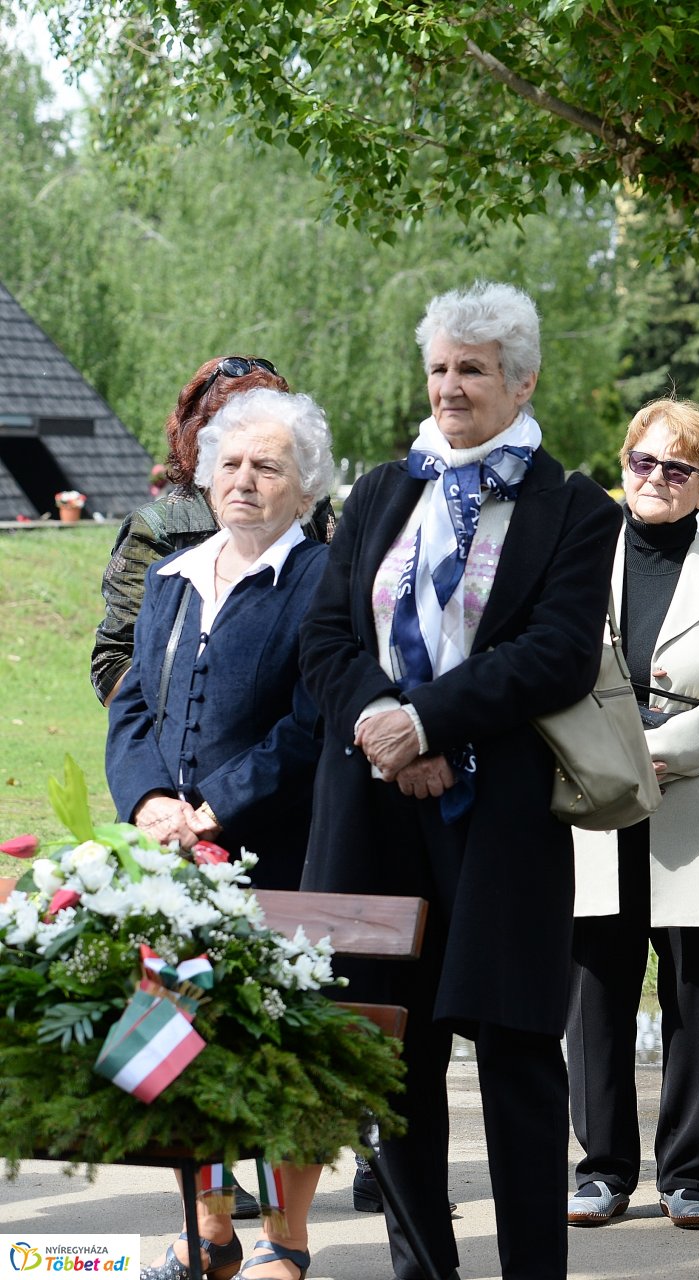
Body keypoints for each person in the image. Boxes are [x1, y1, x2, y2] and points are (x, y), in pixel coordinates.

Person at [299, 281, 621, 1280]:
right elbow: (324, 639)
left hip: (501, 819)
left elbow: (557, 652)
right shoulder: (381, 492)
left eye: (473, 367)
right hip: (372, 810)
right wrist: (385, 726)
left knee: (519, 1058)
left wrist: (429, 717)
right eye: (439, 366)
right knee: (389, 1058)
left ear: (523, 379)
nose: (450, 385)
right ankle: (423, 1270)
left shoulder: (571, 506)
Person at [105, 388, 334, 1280]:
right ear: (205, 477)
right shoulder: (170, 577)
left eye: (266, 466)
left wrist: (215, 807)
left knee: (282, 1052)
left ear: (303, 485)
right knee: (177, 1048)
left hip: (282, 854)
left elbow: (312, 724)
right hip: (172, 864)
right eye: (230, 464)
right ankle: (210, 1233)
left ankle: (286, 1241)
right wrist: (151, 801)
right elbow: (133, 709)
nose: (243, 480)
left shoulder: (322, 578)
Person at [564, 400, 699, 1231]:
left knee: (697, 990)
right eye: (642, 463)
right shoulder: (576, 563)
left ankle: (685, 1172)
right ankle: (603, 1168)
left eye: (677, 469)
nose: (655, 479)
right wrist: (614, 754)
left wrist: (662, 750)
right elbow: (552, 673)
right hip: (596, 796)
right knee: (596, 988)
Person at [92, 356, 333, 707]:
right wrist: (193, 721)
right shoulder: (159, 529)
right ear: (204, 436)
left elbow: (344, 627)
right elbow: (113, 662)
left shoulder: (311, 512)